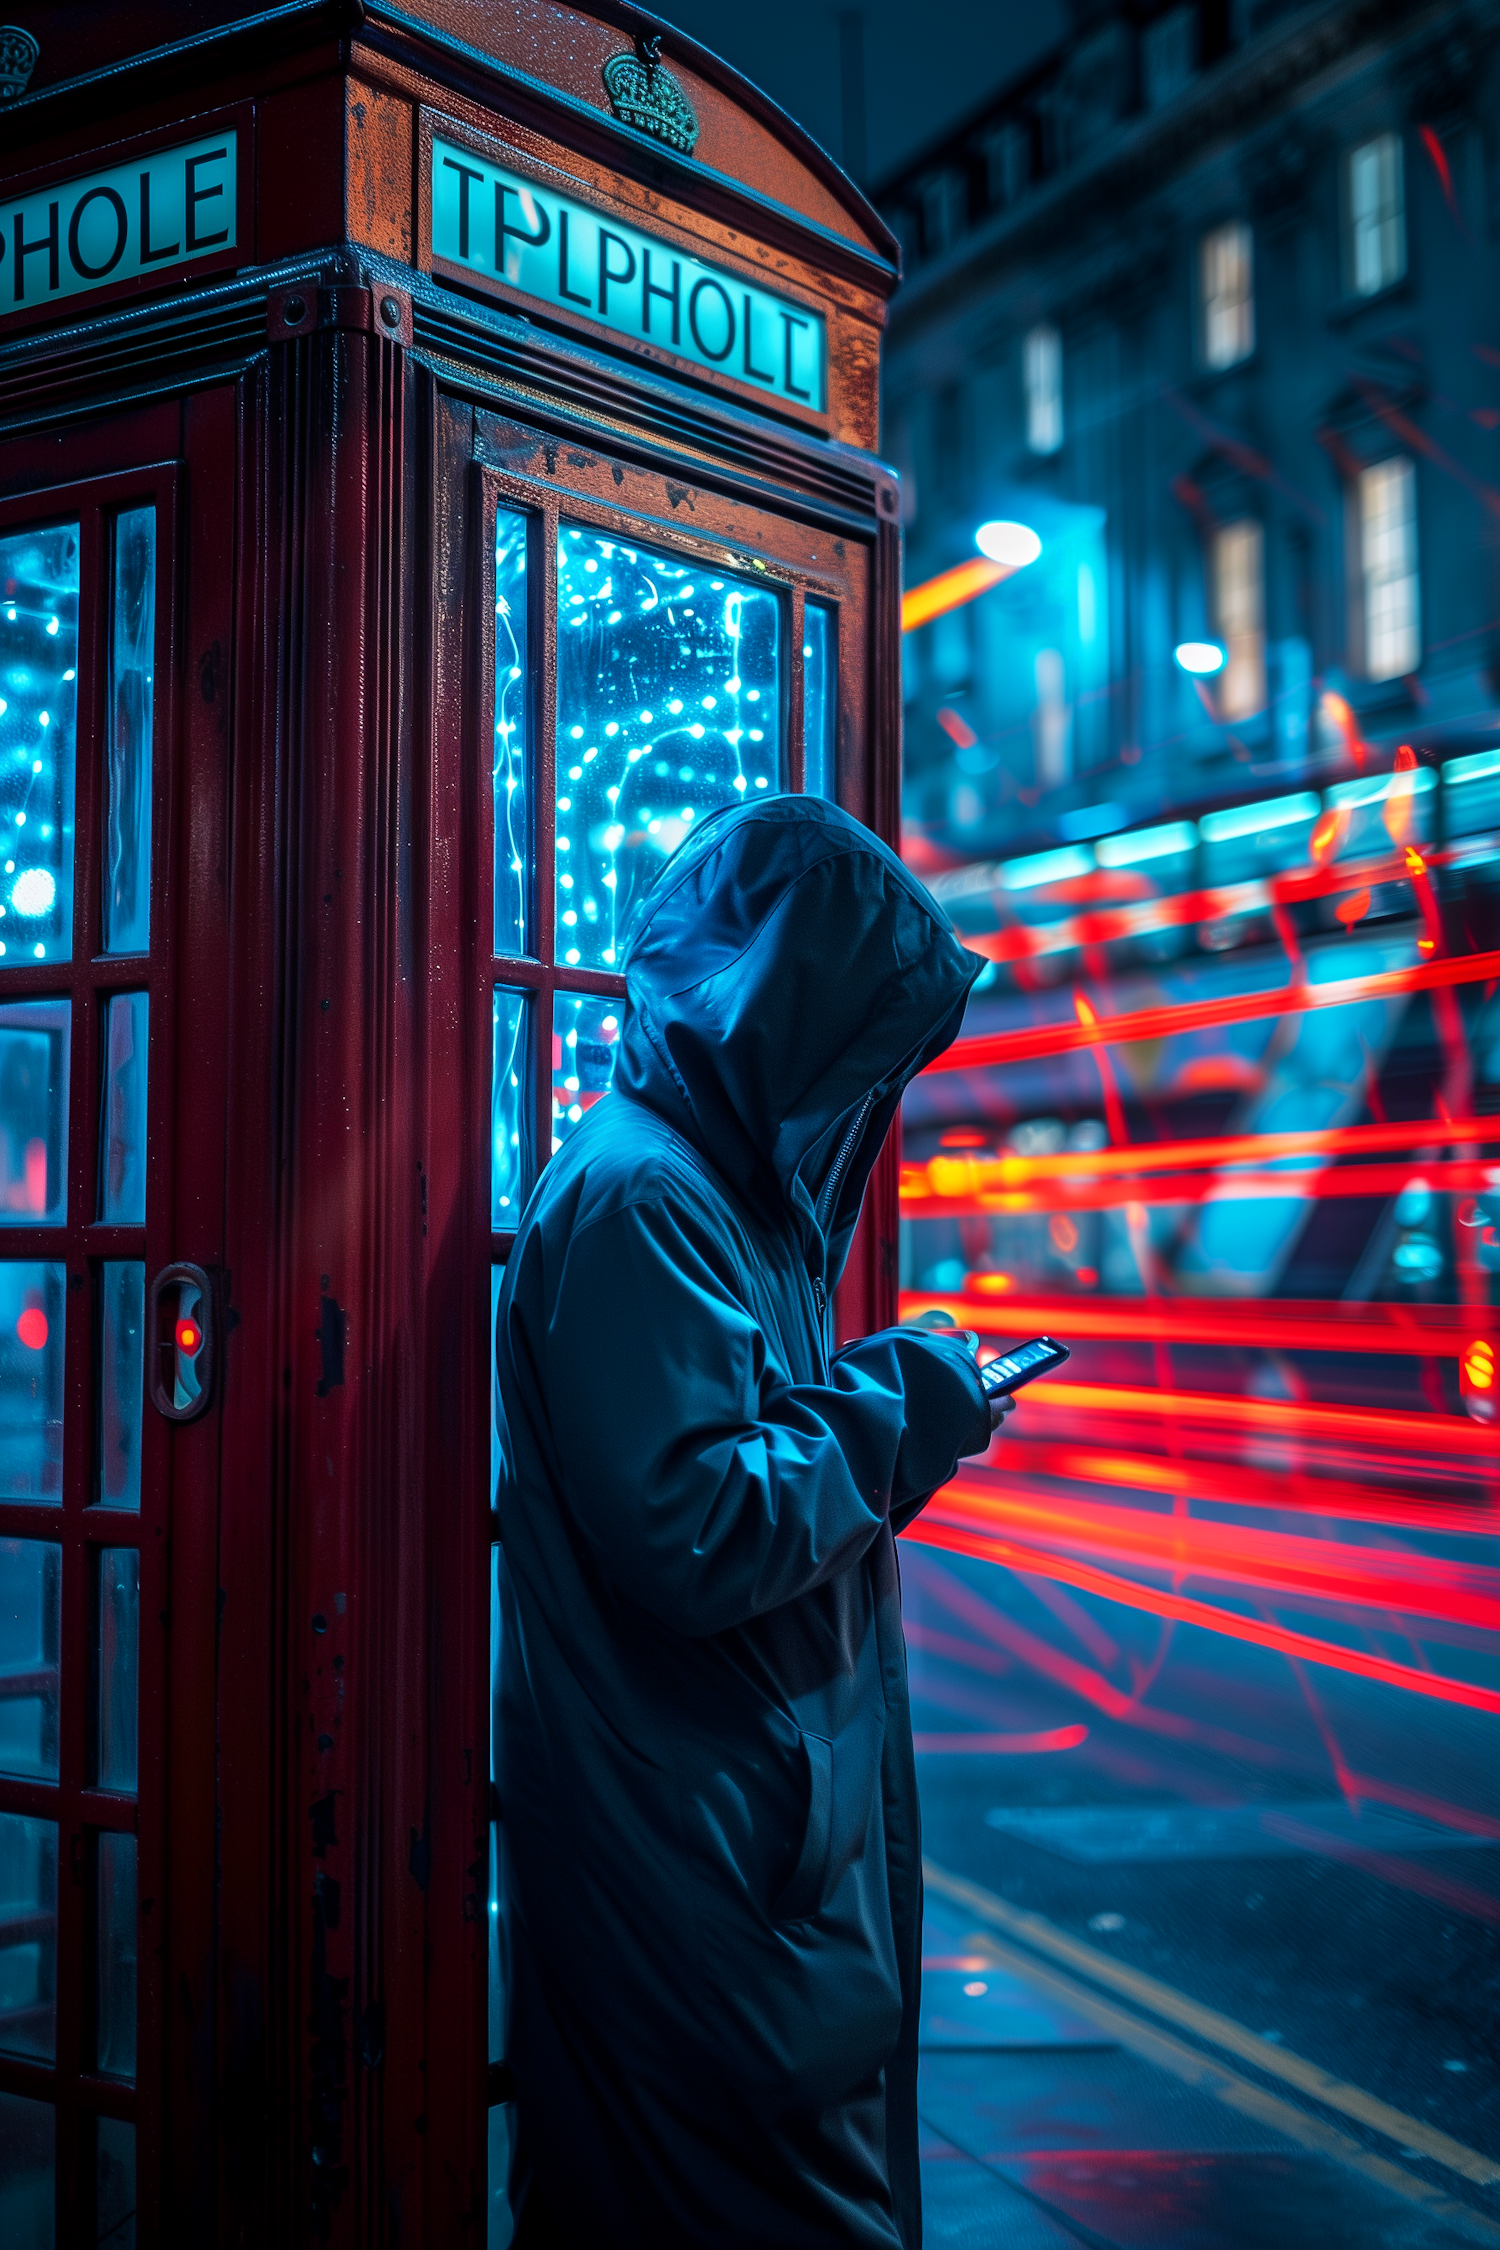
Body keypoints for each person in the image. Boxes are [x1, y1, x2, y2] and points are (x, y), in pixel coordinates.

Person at [492, 794, 1011, 2247]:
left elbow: (737, 1438)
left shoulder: (729, 1196)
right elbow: (696, 1522)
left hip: (746, 1846)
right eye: (855, 1048)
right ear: (780, 1016)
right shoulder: (643, 1200)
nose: (867, 1096)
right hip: (695, 1858)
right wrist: (904, 1403)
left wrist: (883, 1390)